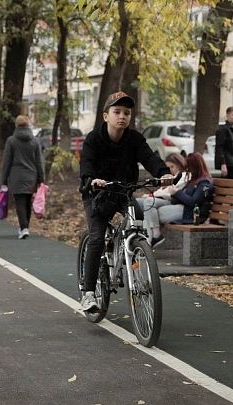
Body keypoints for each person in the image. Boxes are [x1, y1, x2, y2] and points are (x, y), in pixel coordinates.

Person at [79, 91, 173, 312]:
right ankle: (89, 293)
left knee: (137, 216)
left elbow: (149, 157)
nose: (122, 116)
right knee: (96, 238)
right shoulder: (94, 139)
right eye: (117, 111)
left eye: (127, 113)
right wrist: (92, 180)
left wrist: (164, 172)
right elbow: (86, 165)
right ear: (106, 116)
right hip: (96, 194)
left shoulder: (134, 139)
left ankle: (135, 253)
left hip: (122, 191)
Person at [1, 115, 45, 239]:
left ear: (16, 125)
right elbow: (39, 161)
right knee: (27, 202)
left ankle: (24, 227)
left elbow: (6, 161)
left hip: (16, 176)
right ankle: (25, 227)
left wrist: (4, 179)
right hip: (31, 176)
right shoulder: (35, 141)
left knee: (20, 202)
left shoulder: (11, 141)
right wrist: (41, 178)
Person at [139, 153, 188, 247]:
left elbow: (170, 192)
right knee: (141, 204)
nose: (170, 170)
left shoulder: (182, 176)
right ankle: (147, 242)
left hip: (171, 200)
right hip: (163, 199)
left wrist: (151, 196)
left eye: (172, 166)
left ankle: (156, 234)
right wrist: (151, 195)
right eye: (168, 167)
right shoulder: (171, 176)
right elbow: (162, 190)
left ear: (179, 164)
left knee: (149, 202)